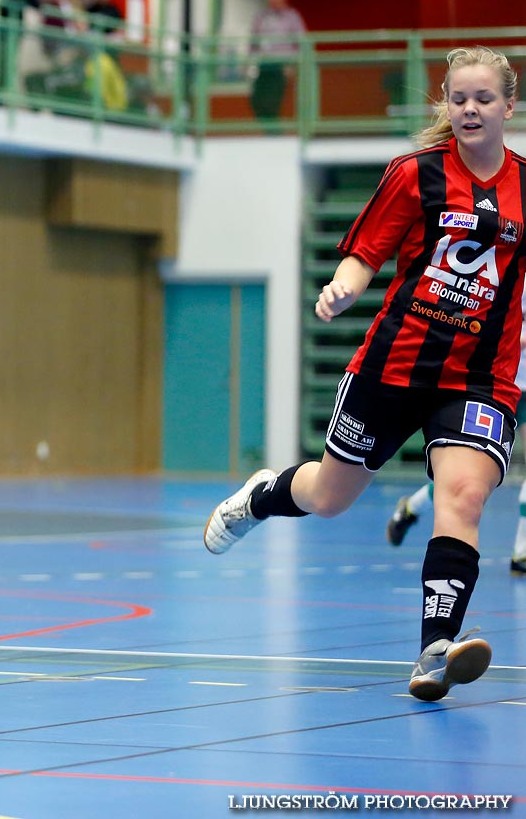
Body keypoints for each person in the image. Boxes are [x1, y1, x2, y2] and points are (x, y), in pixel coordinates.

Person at [204, 46, 520, 702]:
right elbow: (365, 252)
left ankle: (435, 650)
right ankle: (263, 495)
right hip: (393, 367)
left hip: (482, 379)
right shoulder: (414, 175)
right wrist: (341, 290)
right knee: (330, 497)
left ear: (508, 107)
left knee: (462, 496)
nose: (469, 109)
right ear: (446, 104)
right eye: (459, 98)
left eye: (483, 99)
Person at [387, 309, 526, 575]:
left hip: (520, 389)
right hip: (492, 385)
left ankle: (521, 552)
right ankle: (411, 507)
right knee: (464, 476)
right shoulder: (510, 272)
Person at [249, 0, 305, 125]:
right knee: (256, 99)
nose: (274, 0)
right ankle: (269, 128)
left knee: (274, 101)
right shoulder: (261, 16)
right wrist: (250, 61)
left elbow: (301, 42)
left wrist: (292, 64)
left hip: (282, 65)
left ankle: (273, 133)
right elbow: (253, 40)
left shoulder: (292, 17)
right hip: (263, 64)